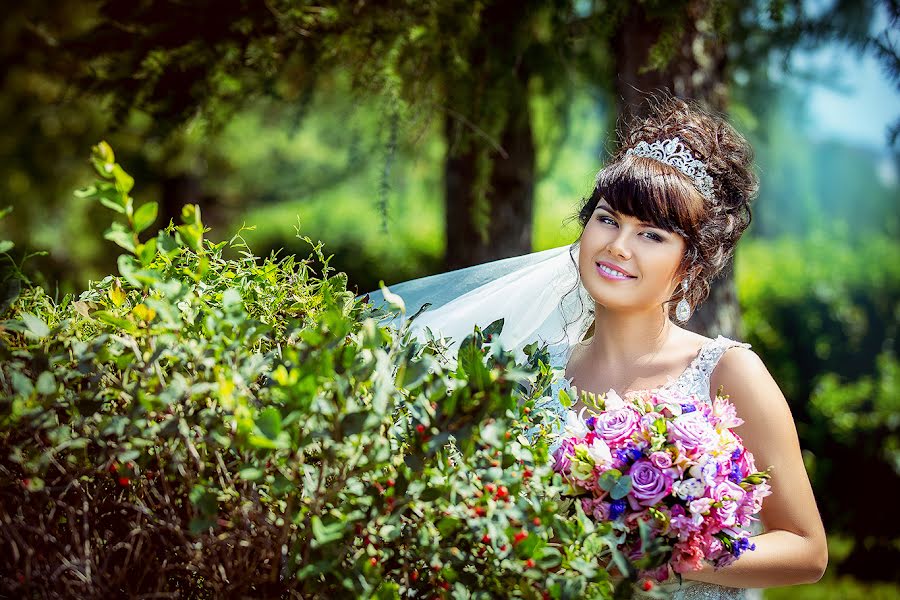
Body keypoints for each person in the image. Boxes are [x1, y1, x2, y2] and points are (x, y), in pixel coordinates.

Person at [368, 94, 827, 598]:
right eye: (608, 219)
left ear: (690, 265)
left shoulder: (729, 373)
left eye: (651, 235)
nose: (618, 246)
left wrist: (660, 557)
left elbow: (807, 550)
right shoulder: (536, 373)